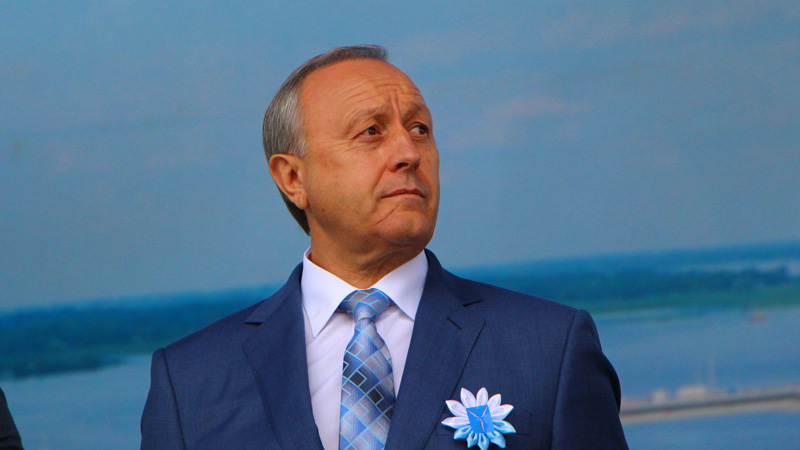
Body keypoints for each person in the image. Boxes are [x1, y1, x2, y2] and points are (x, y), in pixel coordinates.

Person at [141, 45, 628, 450]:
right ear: (292, 178)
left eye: (420, 130)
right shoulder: (189, 383)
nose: (409, 153)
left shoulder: (549, 349)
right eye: (371, 131)